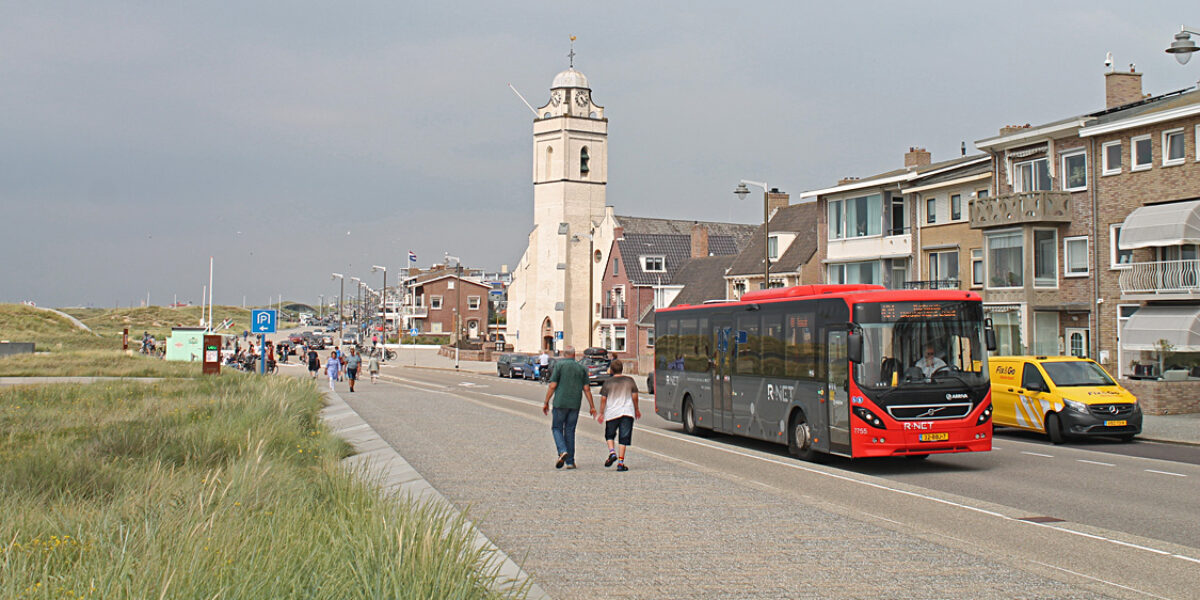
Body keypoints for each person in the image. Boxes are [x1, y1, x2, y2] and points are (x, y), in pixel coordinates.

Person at [542, 347, 596, 469]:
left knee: (556, 428)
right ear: (574, 354)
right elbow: (587, 389)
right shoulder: (581, 368)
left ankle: (562, 451)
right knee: (570, 431)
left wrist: (546, 402)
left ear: (564, 354)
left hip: (560, 403)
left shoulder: (559, 365)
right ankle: (570, 461)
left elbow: (553, 385)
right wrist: (592, 406)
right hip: (575, 404)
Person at [596, 360, 641, 472]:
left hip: (612, 412)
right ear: (622, 369)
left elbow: (603, 399)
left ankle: (612, 452)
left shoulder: (608, 382)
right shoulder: (630, 381)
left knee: (609, 435)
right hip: (627, 412)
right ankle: (621, 463)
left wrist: (601, 412)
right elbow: (635, 396)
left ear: (611, 370)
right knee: (624, 438)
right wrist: (636, 409)